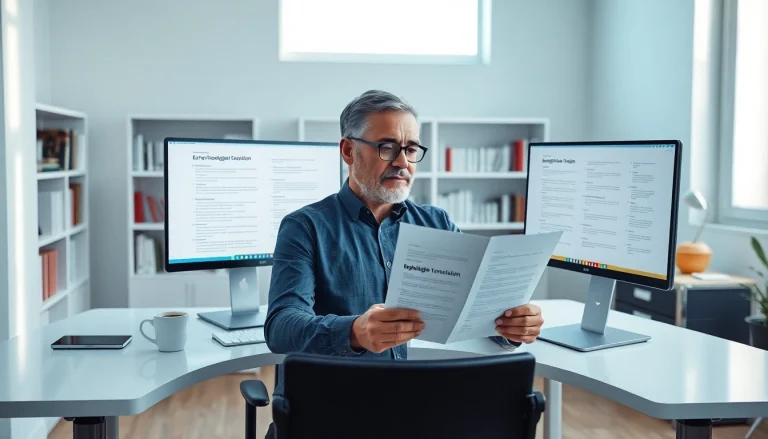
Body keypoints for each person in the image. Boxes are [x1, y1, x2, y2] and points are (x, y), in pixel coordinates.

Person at [263, 90, 544, 434]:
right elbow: (281, 327)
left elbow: (470, 316)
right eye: (387, 147)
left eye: (411, 149)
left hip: (427, 403)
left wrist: (510, 327)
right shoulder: (304, 226)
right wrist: (354, 332)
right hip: (339, 407)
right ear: (348, 151)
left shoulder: (437, 222)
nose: (402, 162)